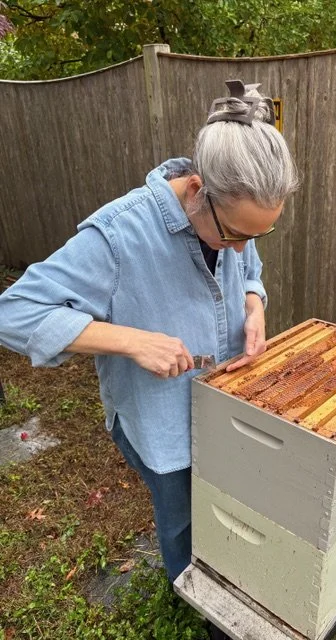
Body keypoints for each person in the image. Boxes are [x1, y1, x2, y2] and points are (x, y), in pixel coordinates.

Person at [0, 79, 298, 639]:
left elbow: (247, 262)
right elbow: (13, 311)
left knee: (234, 505)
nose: (241, 247)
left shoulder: (235, 213)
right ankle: (195, 597)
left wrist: (254, 304)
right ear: (198, 189)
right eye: (236, 234)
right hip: (164, 428)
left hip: (231, 405)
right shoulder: (118, 233)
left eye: (259, 233)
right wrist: (132, 340)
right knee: (185, 521)